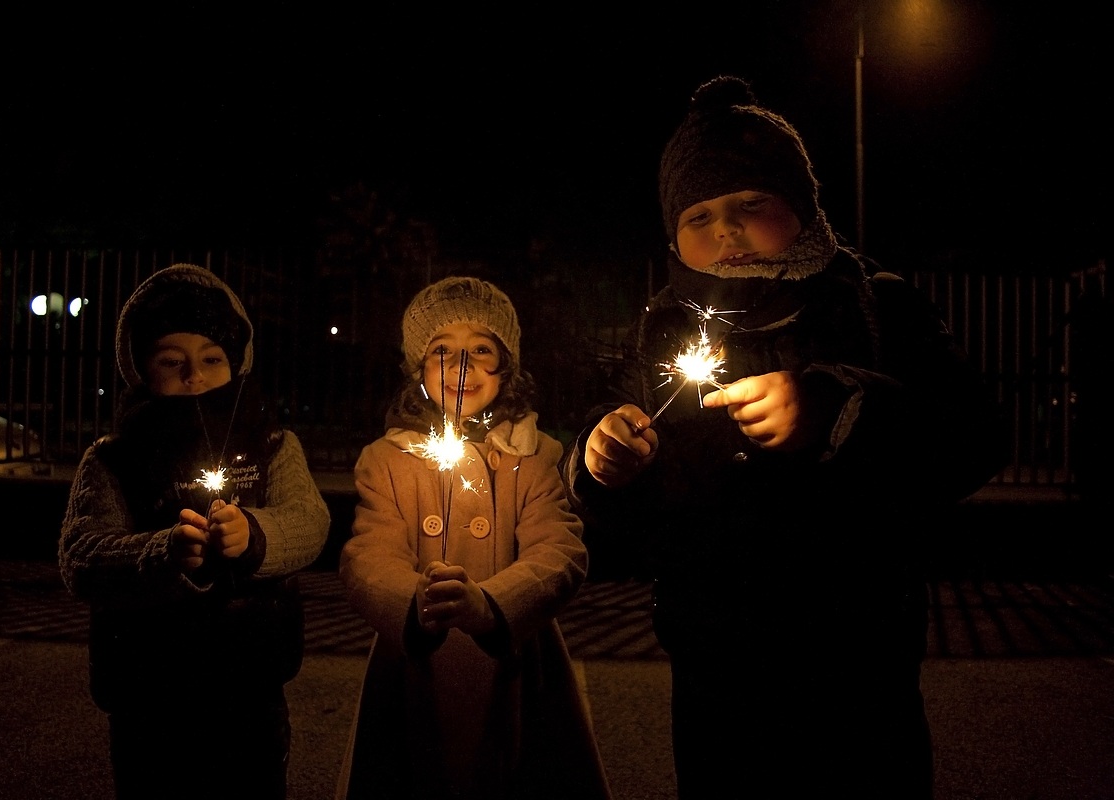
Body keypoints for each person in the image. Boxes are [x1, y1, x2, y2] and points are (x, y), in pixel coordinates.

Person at [561, 76, 1008, 798]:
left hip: (858, 655)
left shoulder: (872, 301)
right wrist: (601, 459)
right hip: (712, 657)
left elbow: (974, 434)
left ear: (802, 208)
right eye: (699, 215)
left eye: (752, 205)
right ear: (672, 234)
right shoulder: (663, 328)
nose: (727, 231)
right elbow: (614, 460)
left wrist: (838, 407)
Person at [59, 263, 331, 799]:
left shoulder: (273, 443)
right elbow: (81, 553)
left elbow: (309, 519)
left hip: (249, 678)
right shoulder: (114, 458)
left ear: (236, 363)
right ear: (139, 368)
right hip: (148, 685)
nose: (193, 374)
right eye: (171, 360)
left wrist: (254, 534)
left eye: (211, 358)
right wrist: (161, 552)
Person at [336, 276, 611, 800]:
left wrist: (493, 605)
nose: (461, 366)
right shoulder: (386, 460)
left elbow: (560, 549)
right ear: (417, 369)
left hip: (516, 658)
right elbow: (369, 554)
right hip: (414, 661)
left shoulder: (534, 457)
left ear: (506, 367)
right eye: (442, 351)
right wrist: (410, 600)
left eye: (480, 349)